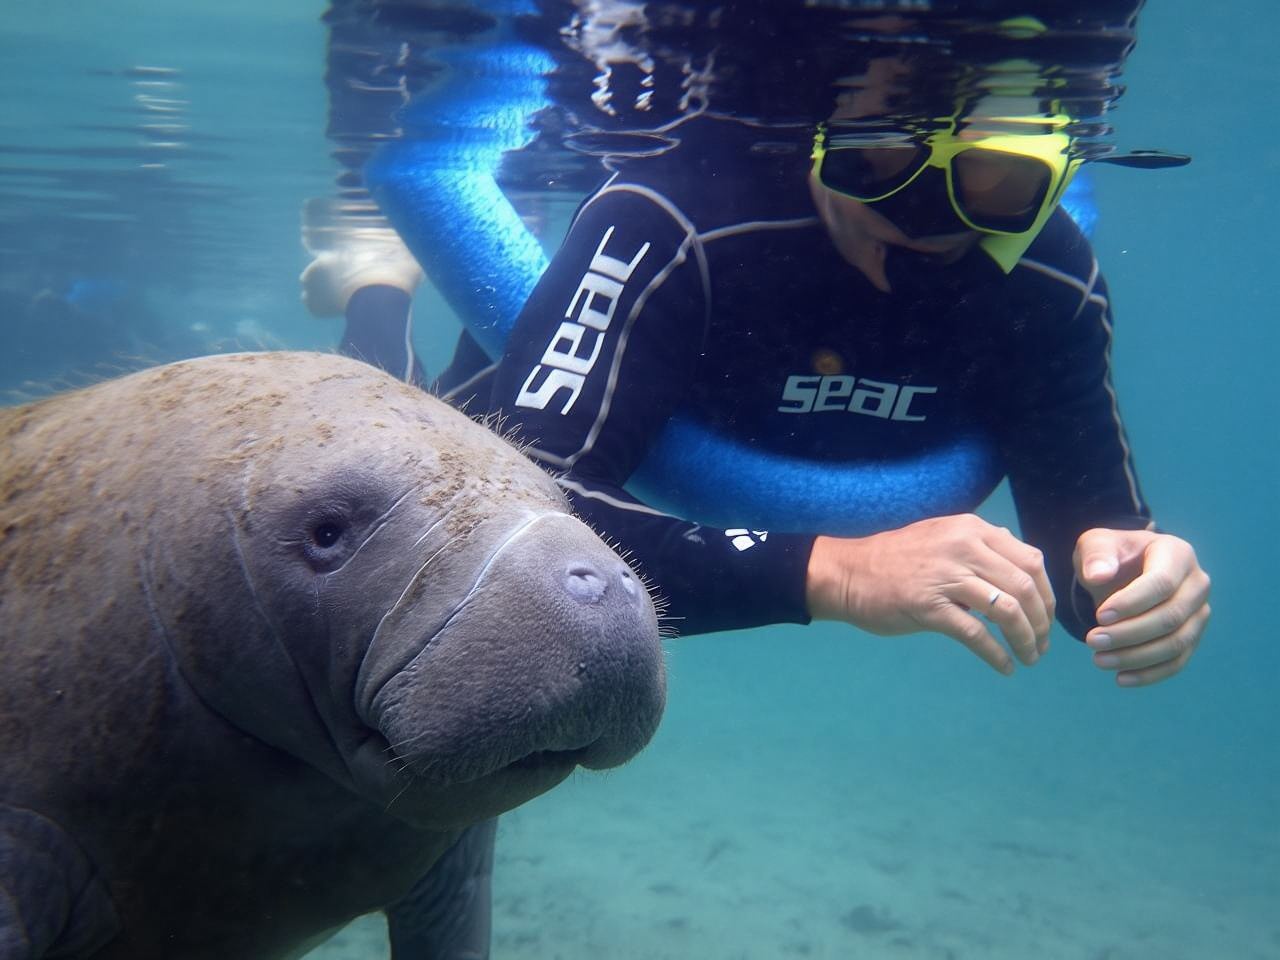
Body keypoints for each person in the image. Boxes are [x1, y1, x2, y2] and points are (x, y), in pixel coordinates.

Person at [300, 4, 1211, 955]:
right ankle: (375, 287)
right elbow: (506, 534)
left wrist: (1132, 579)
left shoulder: (1052, 281)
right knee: (393, 475)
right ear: (819, 132)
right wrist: (834, 572)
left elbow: (1091, 532)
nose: (932, 225)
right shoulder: (670, 218)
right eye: (881, 162)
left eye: (995, 182)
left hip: (724, 449)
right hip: (606, 409)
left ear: (1051, 172)